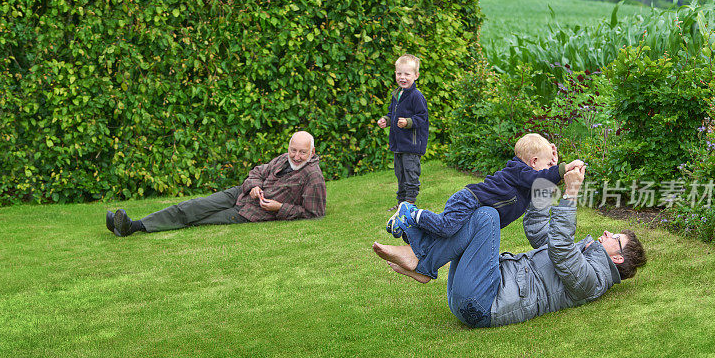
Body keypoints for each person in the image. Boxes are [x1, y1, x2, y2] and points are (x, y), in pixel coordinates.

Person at [372, 165, 647, 328]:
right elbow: (540, 233)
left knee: (488, 216)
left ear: (618, 258)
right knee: (482, 215)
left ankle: (423, 261)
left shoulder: (593, 281)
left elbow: (560, 249)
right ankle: (422, 261)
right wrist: (544, 179)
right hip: (477, 292)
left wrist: (571, 193)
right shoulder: (584, 258)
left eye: (616, 238)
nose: (608, 232)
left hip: (482, 304)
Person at [106, 131, 326, 237]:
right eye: (293, 150)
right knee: (192, 206)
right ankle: (130, 225)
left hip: (252, 213)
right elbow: (257, 171)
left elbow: (314, 213)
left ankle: (131, 227)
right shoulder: (282, 158)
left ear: (312, 152)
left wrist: (280, 209)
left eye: (302, 152)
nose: (296, 156)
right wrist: (253, 187)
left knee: (198, 219)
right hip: (239, 195)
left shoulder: (313, 178)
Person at [387, 133, 584, 238]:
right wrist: (562, 168)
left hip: (474, 205)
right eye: (546, 163)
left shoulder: (526, 180)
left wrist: (554, 165)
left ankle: (408, 229)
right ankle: (410, 211)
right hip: (469, 200)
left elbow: (542, 188)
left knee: (450, 235)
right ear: (533, 162)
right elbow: (539, 179)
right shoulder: (519, 171)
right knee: (447, 227)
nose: (549, 167)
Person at [377, 54, 428, 210]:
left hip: (412, 144)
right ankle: (401, 203)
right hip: (399, 144)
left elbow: (422, 117)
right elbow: (393, 113)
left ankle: (410, 202)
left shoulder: (416, 96)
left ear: (416, 75)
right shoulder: (397, 94)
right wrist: (386, 120)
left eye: (407, 74)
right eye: (399, 73)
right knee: (400, 174)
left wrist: (408, 122)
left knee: (410, 173)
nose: (402, 77)